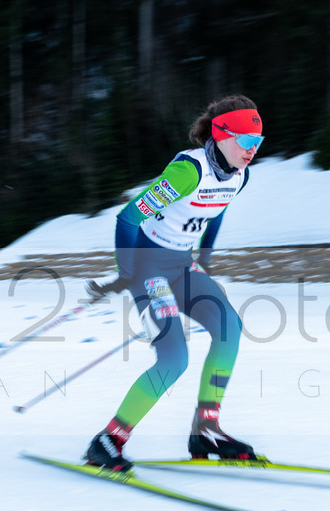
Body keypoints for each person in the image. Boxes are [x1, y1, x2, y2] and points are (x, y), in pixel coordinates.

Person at [83, 95, 264, 471]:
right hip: (148, 268)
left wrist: (205, 257)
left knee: (230, 328)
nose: (252, 150)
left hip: (182, 265)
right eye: (246, 141)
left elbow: (215, 210)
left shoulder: (239, 175)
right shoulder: (187, 173)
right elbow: (127, 219)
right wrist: (126, 272)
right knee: (174, 358)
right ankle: (109, 439)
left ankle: (206, 429)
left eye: (258, 142)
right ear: (222, 134)